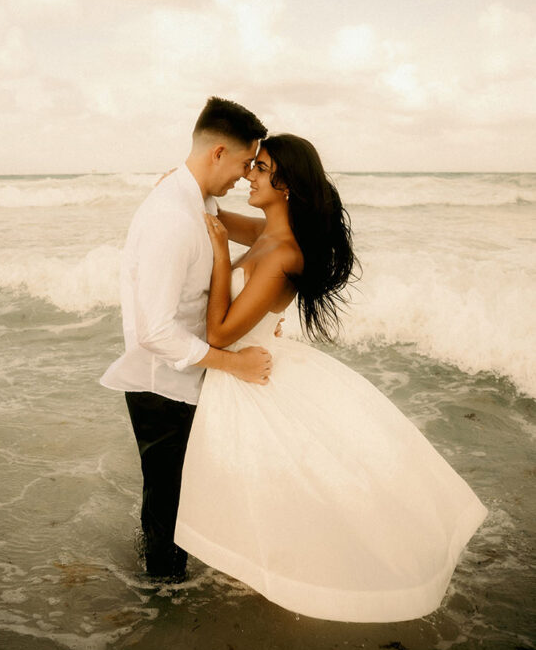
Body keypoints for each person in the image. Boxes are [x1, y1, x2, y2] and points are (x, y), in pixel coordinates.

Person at [175, 134, 488, 622]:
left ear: (286, 183)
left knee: (280, 482)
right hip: (246, 364)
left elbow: (217, 332)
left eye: (259, 168)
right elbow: (211, 215)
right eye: (251, 166)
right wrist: (179, 189)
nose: (248, 176)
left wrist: (219, 258)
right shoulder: (265, 233)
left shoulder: (282, 254)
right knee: (263, 485)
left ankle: (287, 581)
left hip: (246, 369)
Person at [100, 97, 269, 581]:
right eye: (242, 163)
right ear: (218, 153)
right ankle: (162, 597)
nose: (243, 176)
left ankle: (166, 579)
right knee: (168, 499)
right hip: (162, 384)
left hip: (187, 376)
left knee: (179, 494)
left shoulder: (195, 200)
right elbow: (155, 330)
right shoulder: (172, 217)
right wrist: (232, 363)